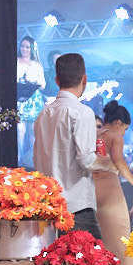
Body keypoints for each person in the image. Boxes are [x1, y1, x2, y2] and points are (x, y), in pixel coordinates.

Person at [33, 53, 102, 238]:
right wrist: (111, 164)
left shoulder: (43, 114)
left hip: (48, 206)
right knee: (92, 263)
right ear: (84, 79)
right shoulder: (82, 112)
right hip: (76, 207)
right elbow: (87, 160)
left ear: (56, 80)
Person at [94, 100, 133, 265]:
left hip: (92, 191)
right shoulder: (114, 137)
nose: (124, 133)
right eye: (125, 129)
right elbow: (118, 161)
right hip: (111, 193)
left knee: (103, 245)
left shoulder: (93, 135)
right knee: (122, 246)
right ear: (119, 123)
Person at [17, 36, 46, 167]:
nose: (24, 49)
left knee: (32, 132)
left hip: (34, 99)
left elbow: (43, 84)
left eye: (27, 47)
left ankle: (33, 160)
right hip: (20, 99)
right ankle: (18, 160)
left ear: (32, 49)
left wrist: (33, 82)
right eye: (22, 46)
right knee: (20, 131)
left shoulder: (37, 65)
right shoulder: (15, 62)